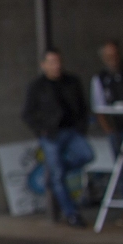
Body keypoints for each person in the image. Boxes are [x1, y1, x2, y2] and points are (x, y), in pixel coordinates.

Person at [24, 47, 93, 227]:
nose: (56, 66)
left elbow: (83, 106)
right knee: (58, 177)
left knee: (86, 155)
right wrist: (41, 131)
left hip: (71, 130)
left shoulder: (71, 82)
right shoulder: (37, 86)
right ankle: (72, 213)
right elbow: (28, 113)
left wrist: (81, 127)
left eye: (58, 62)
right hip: (51, 135)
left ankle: (55, 174)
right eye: (52, 63)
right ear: (44, 65)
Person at [92, 39, 123, 163]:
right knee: (120, 163)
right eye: (109, 57)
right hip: (116, 127)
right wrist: (109, 130)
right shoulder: (100, 78)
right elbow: (98, 108)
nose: (113, 59)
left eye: (115, 55)